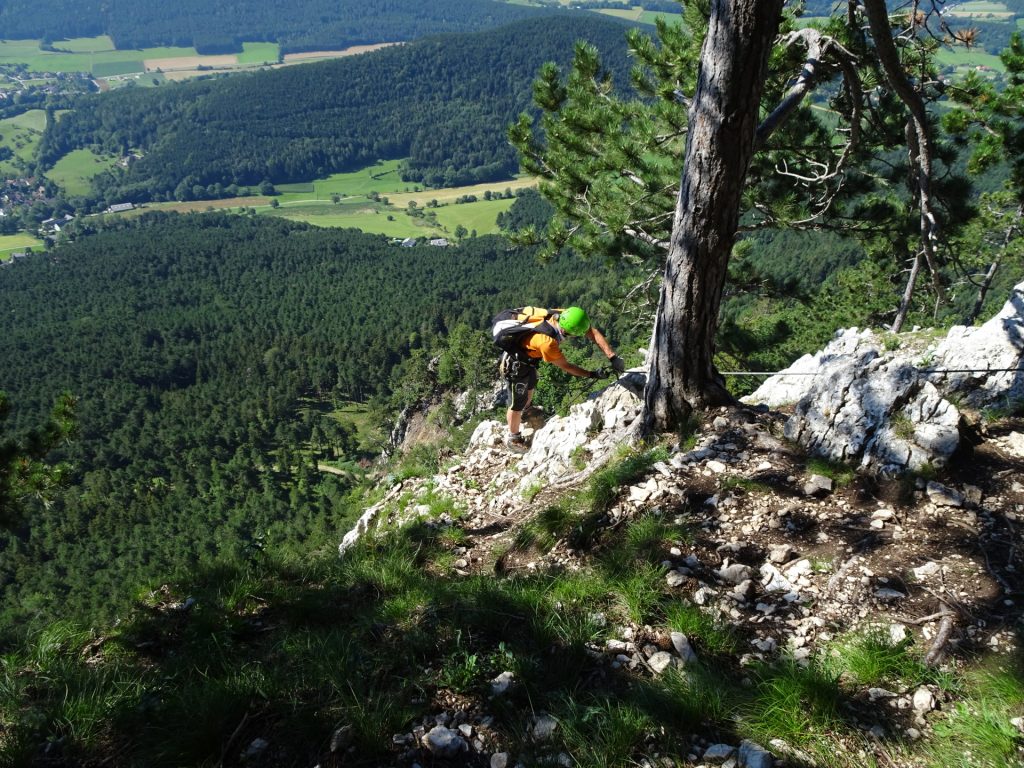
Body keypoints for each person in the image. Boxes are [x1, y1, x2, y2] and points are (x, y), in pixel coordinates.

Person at [499, 306, 625, 453]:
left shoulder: (563, 315)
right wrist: (592, 374)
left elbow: (592, 332)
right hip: (515, 364)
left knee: (531, 383)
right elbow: (567, 366)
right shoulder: (547, 343)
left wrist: (613, 357)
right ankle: (513, 438)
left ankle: (527, 411)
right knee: (517, 402)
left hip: (528, 358)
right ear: (568, 332)